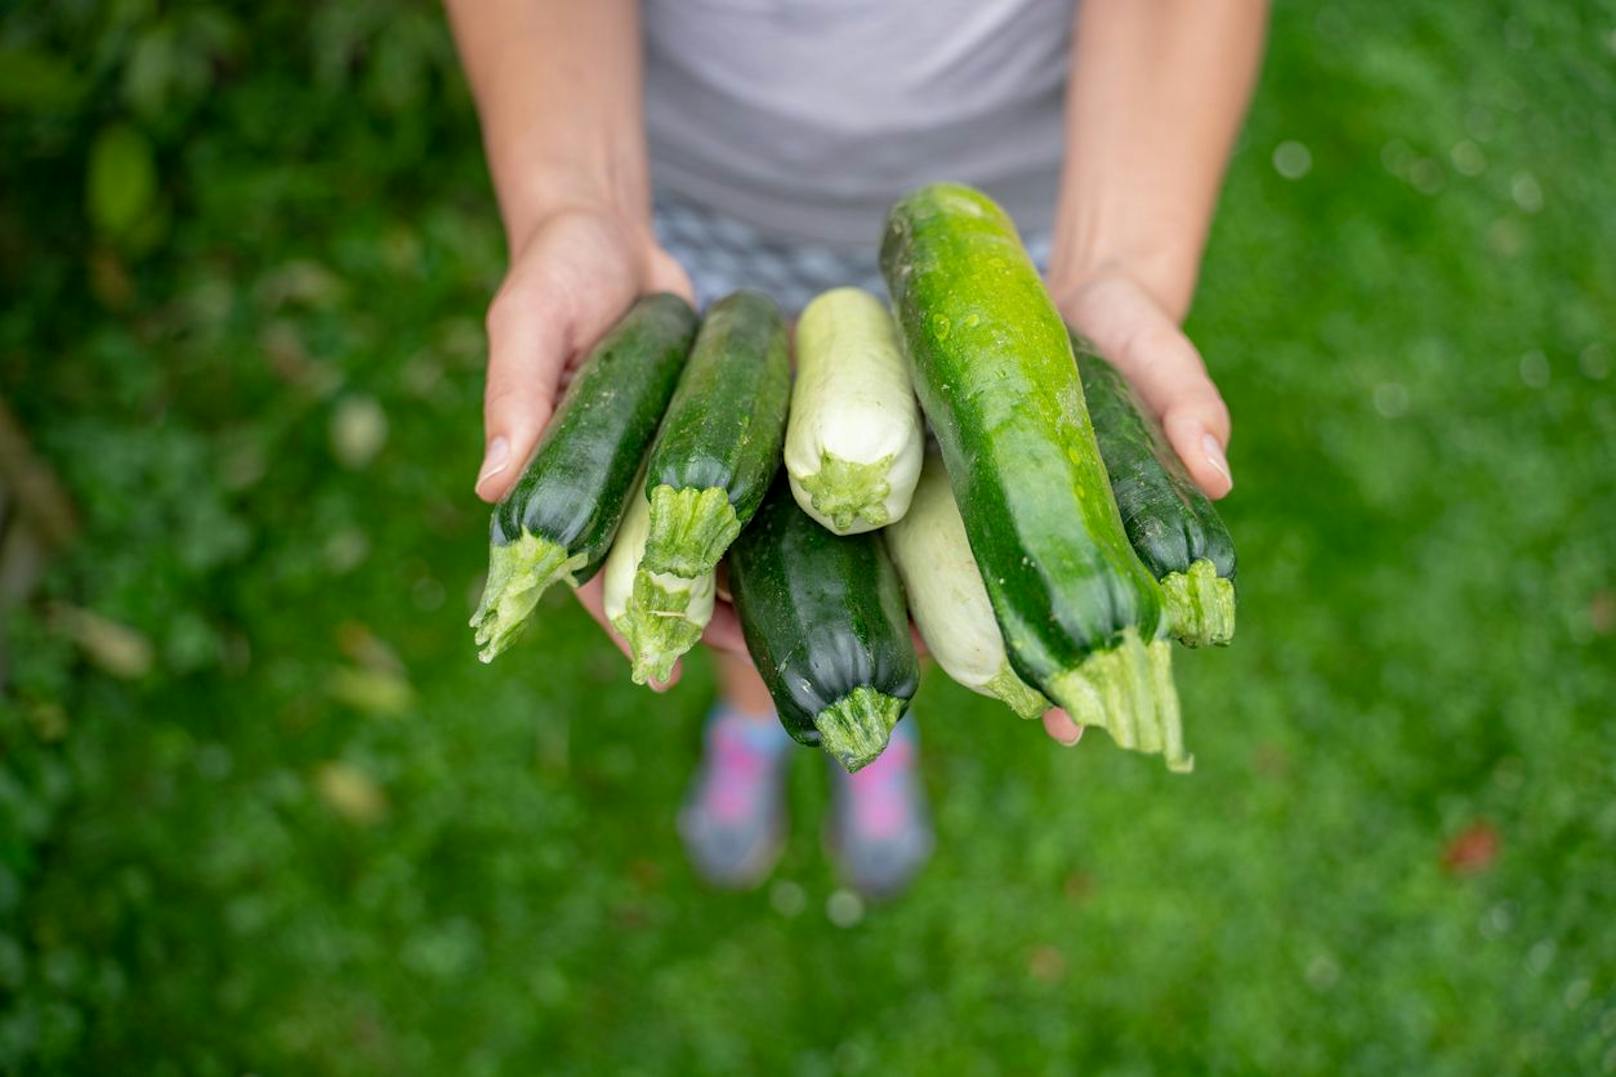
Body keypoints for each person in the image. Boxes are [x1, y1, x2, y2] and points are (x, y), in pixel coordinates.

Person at [446, 0, 1264, 897]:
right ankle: (759, 717)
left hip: (996, 241)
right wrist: (583, 199)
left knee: (833, 577)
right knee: (739, 569)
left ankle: (845, 734)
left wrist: (1118, 262)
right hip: (683, 209)